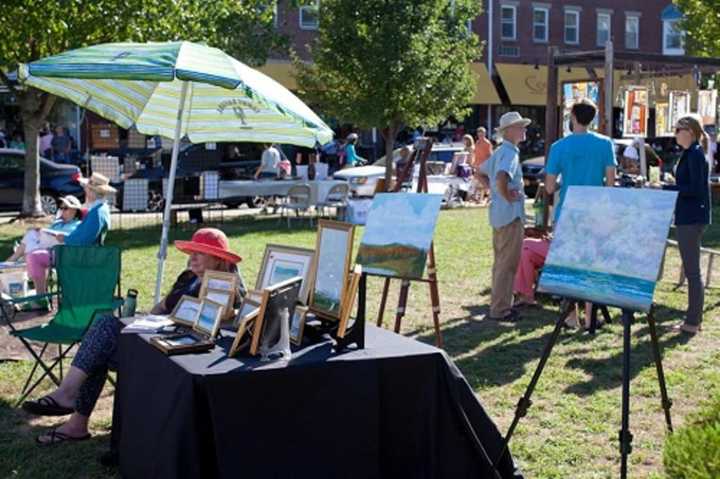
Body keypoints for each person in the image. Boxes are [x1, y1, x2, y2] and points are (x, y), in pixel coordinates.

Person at [22, 228, 247, 446]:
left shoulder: (229, 287)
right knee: (104, 336)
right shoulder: (188, 277)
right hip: (157, 338)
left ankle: (70, 402)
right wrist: (145, 323)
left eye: (200, 253)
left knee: (105, 332)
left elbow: (228, 328)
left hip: (180, 355)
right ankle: (75, 419)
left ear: (218, 259)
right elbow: (162, 306)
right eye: (192, 252)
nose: (192, 258)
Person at [544, 98, 616, 328]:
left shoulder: (558, 147)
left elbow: (548, 186)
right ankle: (589, 316)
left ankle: (571, 316)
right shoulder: (605, 144)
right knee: (591, 264)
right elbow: (611, 183)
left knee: (568, 264)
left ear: (573, 117)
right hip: (595, 211)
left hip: (568, 212)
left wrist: (561, 184)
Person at [25, 172, 115, 296]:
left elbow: (83, 239)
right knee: (35, 253)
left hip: (79, 255)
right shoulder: (99, 209)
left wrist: (64, 238)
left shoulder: (97, 213)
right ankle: (40, 296)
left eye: (86, 189)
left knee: (34, 257)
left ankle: (40, 297)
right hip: (80, 253)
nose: (85, 191)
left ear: (92, 192)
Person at [662, 114, 711, 334]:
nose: (674, 134)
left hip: (691, 217)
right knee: (692, 269)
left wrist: (665, 188)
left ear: (689, 131)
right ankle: (692, 319)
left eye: (677, 129)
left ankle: (692, 322)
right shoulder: (691, 153)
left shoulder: (695, 154)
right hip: (689, 216)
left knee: (692, 271)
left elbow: (695, 190)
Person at [479, 111, 530, 322]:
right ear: (509, 131)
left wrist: (495, 192)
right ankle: (501, 309)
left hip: (499, 214)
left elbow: (480, 172)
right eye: (520, 126)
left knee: (501, 262)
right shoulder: (509, 152)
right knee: (508, 263)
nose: (524, 130)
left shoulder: (501, 151)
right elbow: (501, 176)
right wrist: (506, 194)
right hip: (509, 215)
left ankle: (499, 305)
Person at [6, 195, 83, 263]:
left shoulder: (78, 224)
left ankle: (14, 261)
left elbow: (73, 238)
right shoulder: (57, 224)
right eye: (61, 208)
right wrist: (39, 231)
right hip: (45, 247)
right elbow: (46, 234)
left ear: (74, 210)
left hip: (59, 251)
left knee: (30, 246)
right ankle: (15, 260)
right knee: (31, 233)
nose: (62, 210)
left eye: (65, 208)